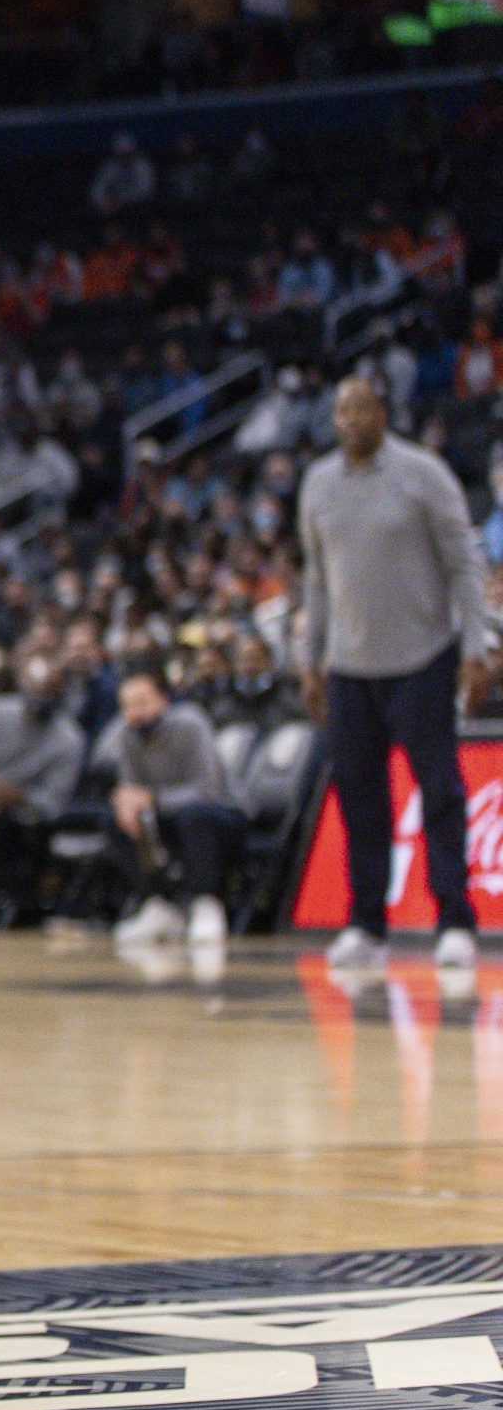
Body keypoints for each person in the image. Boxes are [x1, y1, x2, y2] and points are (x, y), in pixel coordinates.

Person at [298, 376, 492, 971]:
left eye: (361, 408)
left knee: (439, 792)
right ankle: (366, 925)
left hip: (423, 659)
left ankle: (455, 920)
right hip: (350, 668)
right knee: (360, 799)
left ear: (383, 413)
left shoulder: (424, 473)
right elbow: (316, 578)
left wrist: (476, 648)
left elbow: (464, 563)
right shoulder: (317, 483)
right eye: (340, 410)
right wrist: (310, 660)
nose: (350, 419)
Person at [106, 664, 250, 947]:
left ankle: (206, 904)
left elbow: (208, 790)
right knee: (115, 822)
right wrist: (126, 803)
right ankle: (159, 905)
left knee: (193, 816)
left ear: (164, 700)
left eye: (142, 702)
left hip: (222, 815)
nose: (135, 712)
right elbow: (132, 789)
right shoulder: (125, 736)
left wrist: (152, 798)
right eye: (128, 705)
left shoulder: (190, 723)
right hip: (168, 816)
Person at [0, 647, 85, 925]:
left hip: (22, 818)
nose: (39, 699)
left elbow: (55, 803)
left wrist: (17, 795)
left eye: (49, 692)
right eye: (34, 691)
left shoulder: (69, 739)